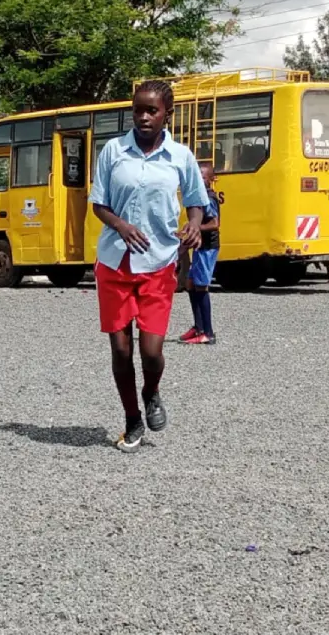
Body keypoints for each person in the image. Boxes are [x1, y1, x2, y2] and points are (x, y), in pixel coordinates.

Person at [89, 80, 209, 454]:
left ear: (166, 115)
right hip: (114, 262)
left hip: (158, 263)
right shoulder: (113, 151)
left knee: (152, 351)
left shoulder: (180, 156)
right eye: (138, 109)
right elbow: (98, 203)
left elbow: (195, 200)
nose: (143, 117)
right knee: (121, 350)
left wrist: (193, 224)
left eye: (151, 110)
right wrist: (121, 226)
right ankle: (131, 419)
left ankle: (151, 391)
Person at [180, 163, 220, 345]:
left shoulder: (209, 198)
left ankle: (208, 332)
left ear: (211, 180)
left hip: (208, 246)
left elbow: (215, 224)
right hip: (199, 245)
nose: (200, 180)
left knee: (201, 285)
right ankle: (198, 326)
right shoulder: (198, 196)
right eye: (198, 176)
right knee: (190, 282)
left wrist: (195, 228)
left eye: (204, 177)